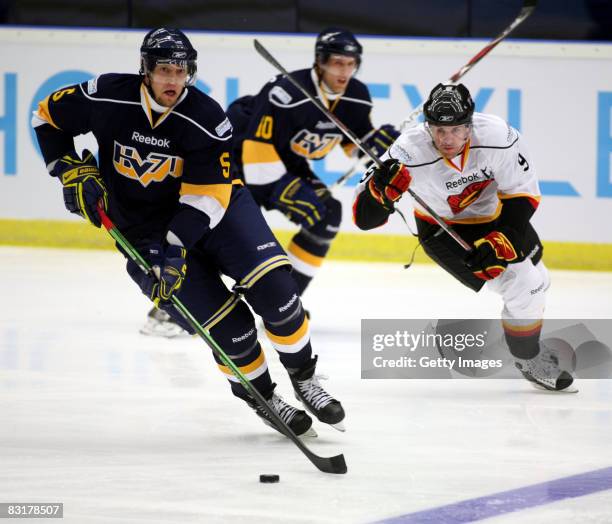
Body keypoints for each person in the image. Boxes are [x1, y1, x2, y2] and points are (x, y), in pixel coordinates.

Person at [31, 27, 346, 435]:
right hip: (141, 230)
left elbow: (208, 194)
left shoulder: (206, 116)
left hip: (218, 213)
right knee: (228, 328)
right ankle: (264, 397)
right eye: (164, 70)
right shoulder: (105, 94)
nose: (173, 81)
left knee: (276, 292)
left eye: (181, 71)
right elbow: (46, 115)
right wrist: (69, 169)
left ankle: (303, 377)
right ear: (145, 69)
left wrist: (176, 247)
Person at [140, 27, 399, 337]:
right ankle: (172, 308)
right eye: (336, 63)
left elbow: (352, 141)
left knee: (327, 215)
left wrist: (379, 146)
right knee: (208, 229)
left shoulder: (356, 96)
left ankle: (284, 302)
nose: (343, 71)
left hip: (285, 161)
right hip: (239, 158)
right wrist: (278, 189)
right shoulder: (286, 92)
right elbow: (253, 150)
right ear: (320, 62)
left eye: (349, 64)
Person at [352, 83, 575, 392]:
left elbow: (523, 194)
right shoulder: (407, 150)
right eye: (438, 130)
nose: (447, 139)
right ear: (427, 126)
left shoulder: (499, 136)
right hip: (445, 230)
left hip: (497, 217)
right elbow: (363, 219)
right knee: (526, 285)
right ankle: (528, 357)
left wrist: (502, 238)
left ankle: (518, 333)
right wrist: (380, 194)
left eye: (456, 129)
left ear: (471, 124)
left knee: (540, 279)